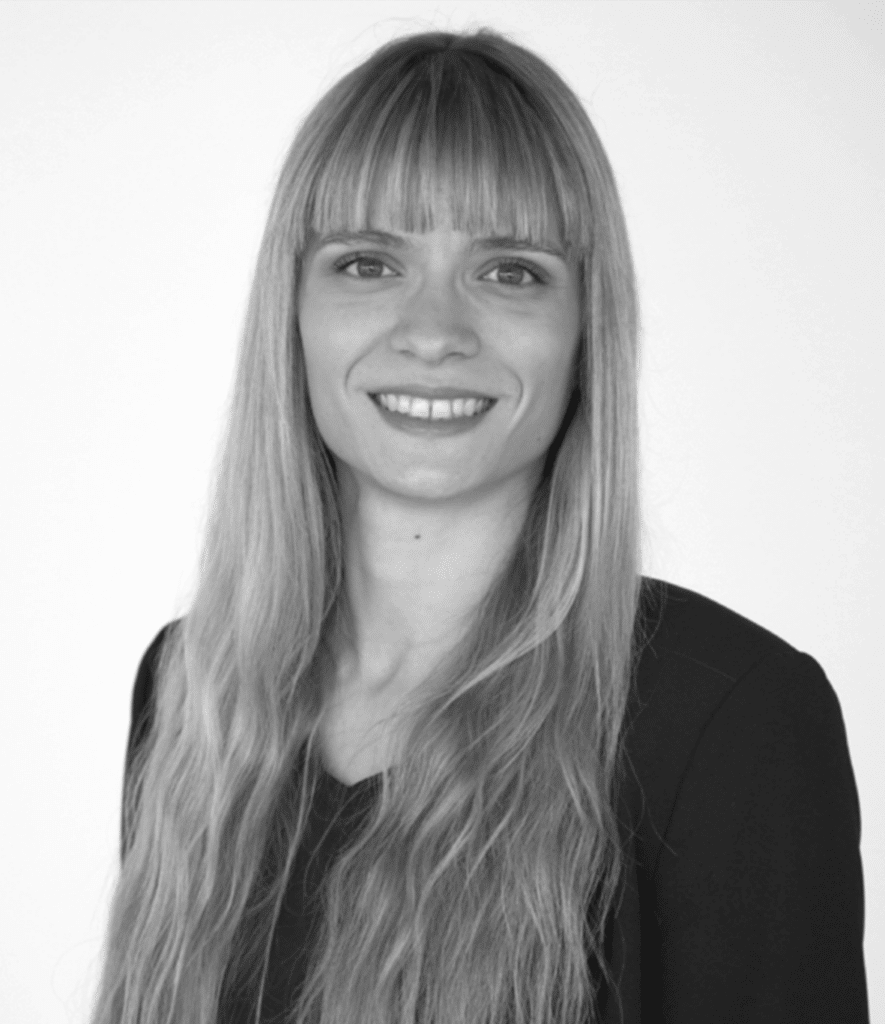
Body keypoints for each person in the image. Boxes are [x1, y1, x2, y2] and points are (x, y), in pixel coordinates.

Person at [88, 28, 868, 1024]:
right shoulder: (190, 690)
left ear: (589, 329)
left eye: (511, 271)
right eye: (368, 262)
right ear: (292, 317)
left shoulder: (729, 723)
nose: (434, 331)